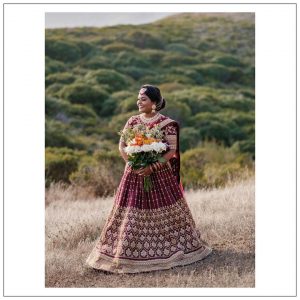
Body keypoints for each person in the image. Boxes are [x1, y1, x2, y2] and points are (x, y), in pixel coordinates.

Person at [85, 84, 213, 274]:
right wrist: (133, 163)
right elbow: (122, 145)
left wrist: (152, 166)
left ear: (154, 102)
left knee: (165, 212)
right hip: (134, 174)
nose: (139, 102)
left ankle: (171, 249)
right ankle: (125, 253)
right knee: (130, 213)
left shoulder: (166, 124)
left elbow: (171, 150)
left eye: (143, 99)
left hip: (160, 176)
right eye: (138, 98)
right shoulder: (132, 121)